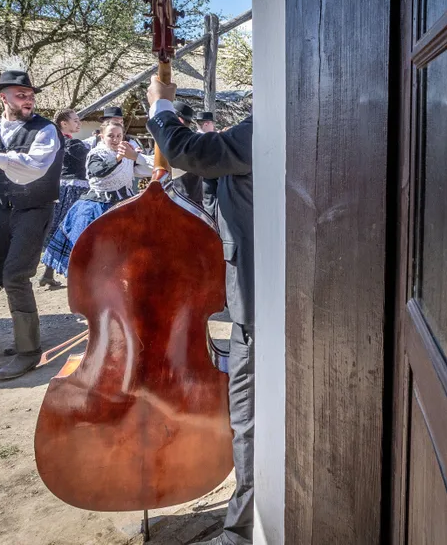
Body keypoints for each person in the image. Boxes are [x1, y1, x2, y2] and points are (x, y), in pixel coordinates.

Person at [147, 74, 253, 545]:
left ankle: (243, 532)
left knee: (251, 423)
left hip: (262, 304)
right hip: (269, 299)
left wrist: (160, 106)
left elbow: (188, 152)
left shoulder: (278, 122)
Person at [0, 68, 64, 381]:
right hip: (6, 210)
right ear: (3, 97)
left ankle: (28, 351)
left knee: (17, 275)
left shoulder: (46, 129)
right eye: (21, 95)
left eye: (31, 95)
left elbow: (35, 167)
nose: (28, 99)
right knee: (4, 272)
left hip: (35, 209)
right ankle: (24, 337)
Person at [41, 122, 151, 277]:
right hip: (97, 207)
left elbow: (145, 168)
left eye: (119, 136)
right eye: (110, 136)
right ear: (101, 136)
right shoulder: (96, 154)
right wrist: (119, 158)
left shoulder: (127, 154)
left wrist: (138, 157)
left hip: (125, 205)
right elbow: (98, 171)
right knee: (91, 254)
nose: (115, 139)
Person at [38, 109, 89, 288]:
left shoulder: (58, 142)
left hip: (62, 187)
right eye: (75, 120)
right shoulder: (71, 143)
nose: (79, 123)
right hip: (73, 189)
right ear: (63, 123)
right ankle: (77, 273)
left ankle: (48, 273)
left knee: (61, 228)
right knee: (74, 228)